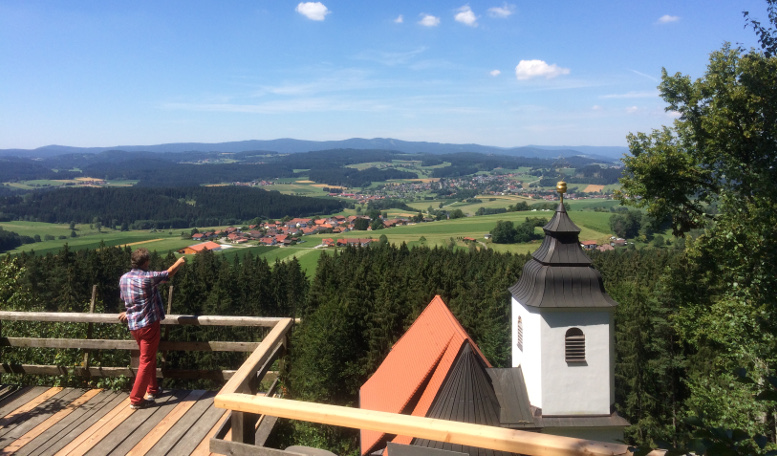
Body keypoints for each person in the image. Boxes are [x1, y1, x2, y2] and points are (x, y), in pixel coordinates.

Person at [118, 248, 186, 409]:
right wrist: (180, 262)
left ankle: (153, 389)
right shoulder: (147, 278)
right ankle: (136, 399)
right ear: (146, 262)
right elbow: (168, 273)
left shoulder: (124, 279)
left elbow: (129, 300)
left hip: (134, 325)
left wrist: (128, 312)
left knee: (149, 357)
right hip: (149, 325)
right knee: (146, 360)